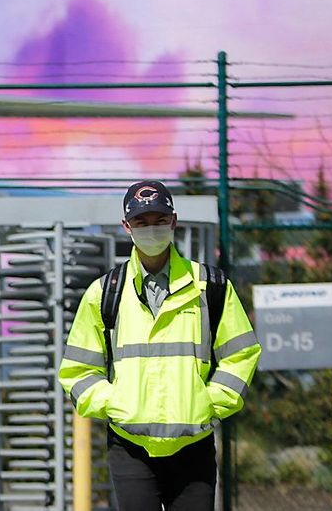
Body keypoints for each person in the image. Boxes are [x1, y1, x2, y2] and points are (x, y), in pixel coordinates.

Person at [58, 179, 261, 510]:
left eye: (159, 221)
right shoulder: (103, 293)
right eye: (141, 222)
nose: (151, 229)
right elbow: (77, 369)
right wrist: (114, 403)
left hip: (193, 444)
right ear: (127, 226)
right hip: (130, 446)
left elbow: (242, 353)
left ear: (173, 222)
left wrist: (209, 404)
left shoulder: (211, 287)